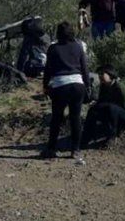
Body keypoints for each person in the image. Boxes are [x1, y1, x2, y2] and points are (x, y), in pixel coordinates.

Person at [41, 21, 89, 163]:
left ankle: (51, 148)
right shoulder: (78, 47)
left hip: (60, 85)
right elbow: (84, 68)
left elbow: (48, 69)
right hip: (77, 84)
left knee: (57, 118)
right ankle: (76, 150)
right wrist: (87, 86)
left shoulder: (53, 48)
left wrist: (45, 85)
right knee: (75, 118)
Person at [81, 65, 125, 148]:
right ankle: (86, 137)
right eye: (98, 74)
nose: (100, 76)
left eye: (102, 74)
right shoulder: (103, 87)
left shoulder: (120, 87)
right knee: (93, 110)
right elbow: (101, 101)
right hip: (111, 112)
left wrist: (107, 105)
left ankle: (111, 137)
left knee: (111, 108)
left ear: (110, 74)